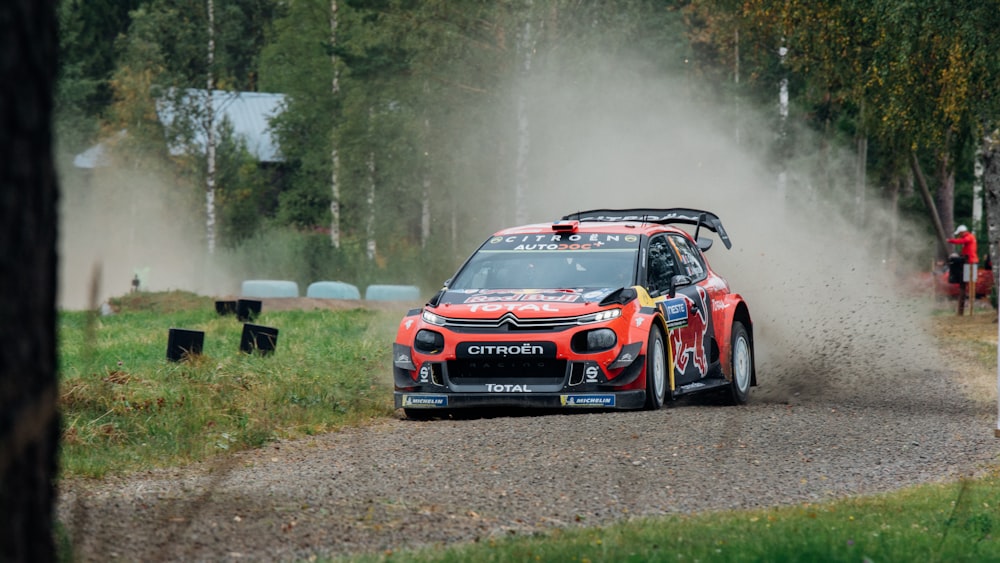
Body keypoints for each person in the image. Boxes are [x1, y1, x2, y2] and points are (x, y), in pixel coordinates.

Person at [947, 225, 978, 314]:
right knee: (966, 281)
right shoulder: (969, 237)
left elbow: (962, 241)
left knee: (970, 282)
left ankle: (971, 307)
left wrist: (951, 241)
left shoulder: (969, 237)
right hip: (968, 261)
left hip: (970, 262)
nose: (959, 235)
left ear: (962, 232)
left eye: (959, 234)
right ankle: (967, 304)